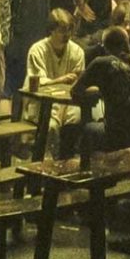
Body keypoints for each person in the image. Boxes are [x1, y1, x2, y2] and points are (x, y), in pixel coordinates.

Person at [72, 25, 130, 153]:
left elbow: (75, 91)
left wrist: (98, 89)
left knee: (87, 129)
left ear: (104, 46)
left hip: (115, 133)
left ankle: (86, 169)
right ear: (127, 43)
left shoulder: (101, 63)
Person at [25, 9, 86, 157]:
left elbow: (79, 81)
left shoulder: (77, 51)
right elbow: (36, 82)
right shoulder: (37, 50)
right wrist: (60, 80)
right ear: (51, 30)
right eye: (62, 31)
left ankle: (67, 162)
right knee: (50, 126)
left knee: (75, 118)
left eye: (69, 31)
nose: (66, 35)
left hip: (68, 102)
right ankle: (45, 165)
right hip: (43, 104)